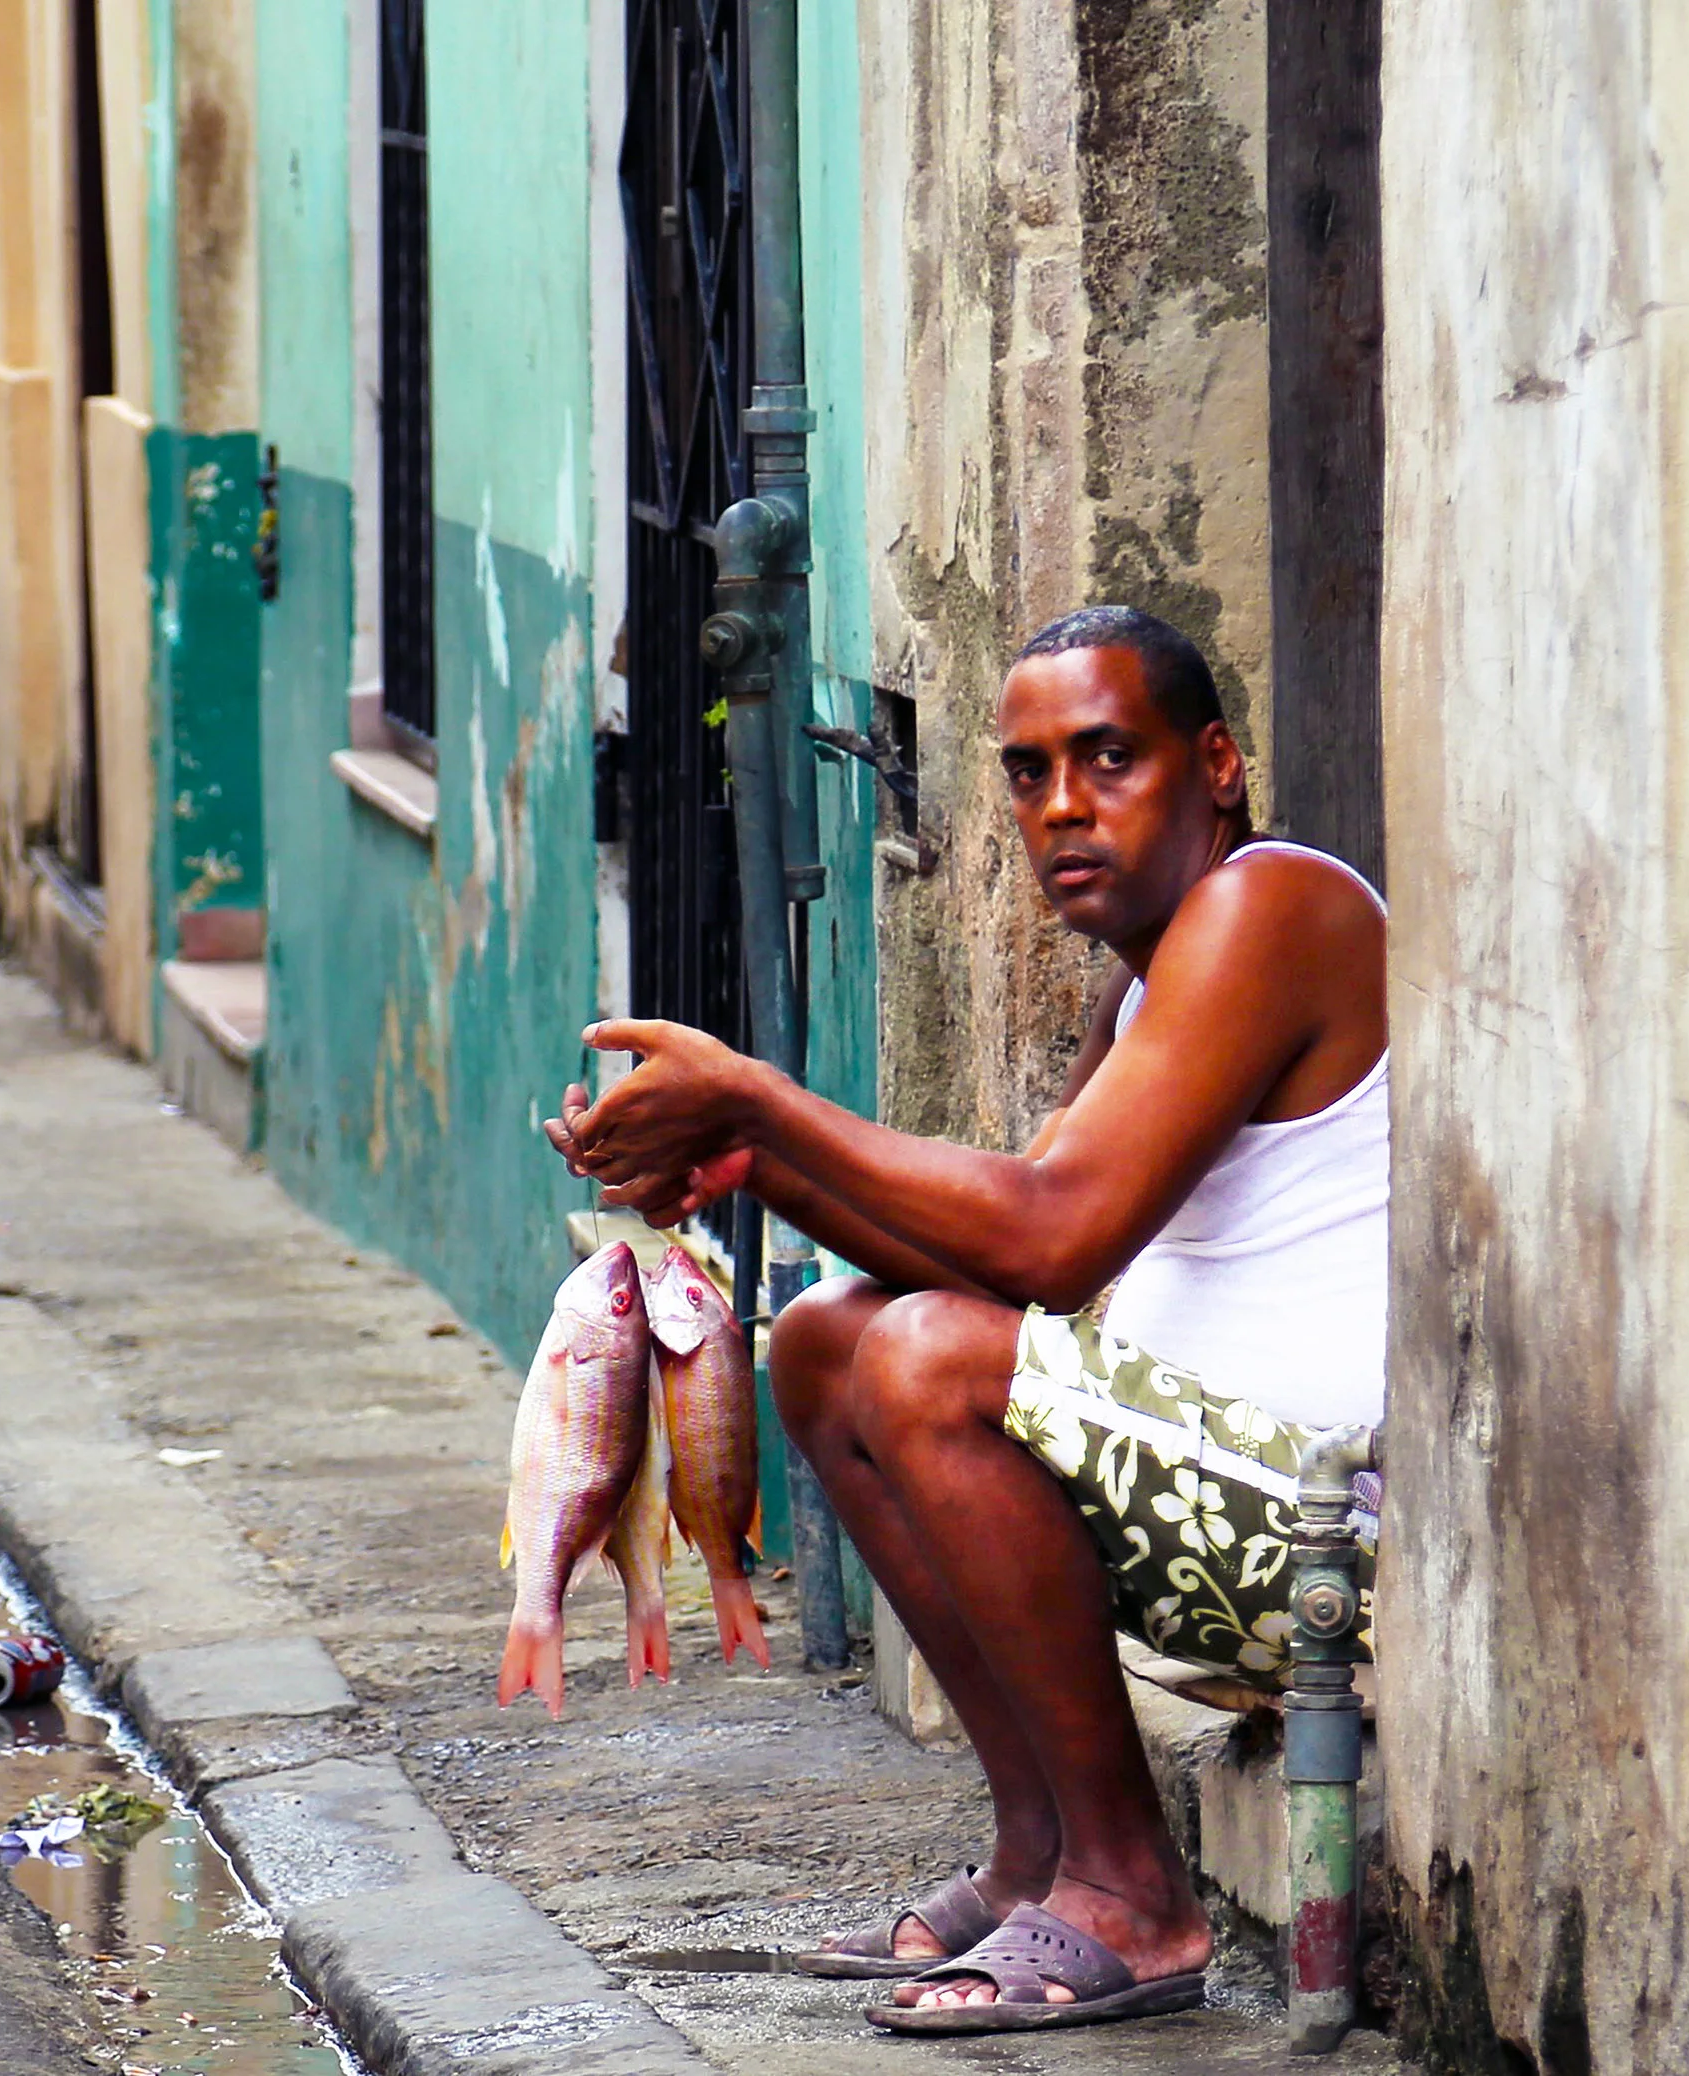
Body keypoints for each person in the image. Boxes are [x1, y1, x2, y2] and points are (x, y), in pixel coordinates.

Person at [544, 604, 1389, 2036]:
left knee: (930, 1358)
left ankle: (1136, 1892)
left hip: (1318, 1543)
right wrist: (758, 1173)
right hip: (1204, 1505)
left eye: (1109, 758)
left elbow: (1053, 1240)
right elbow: (1009, 1269)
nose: (1063, 805)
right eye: (1029, 770)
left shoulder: (1273, 906)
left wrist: (760, 1097)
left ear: (1221, 766)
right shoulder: (1155, 972)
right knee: (826, 1336)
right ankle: (1039, 1857)